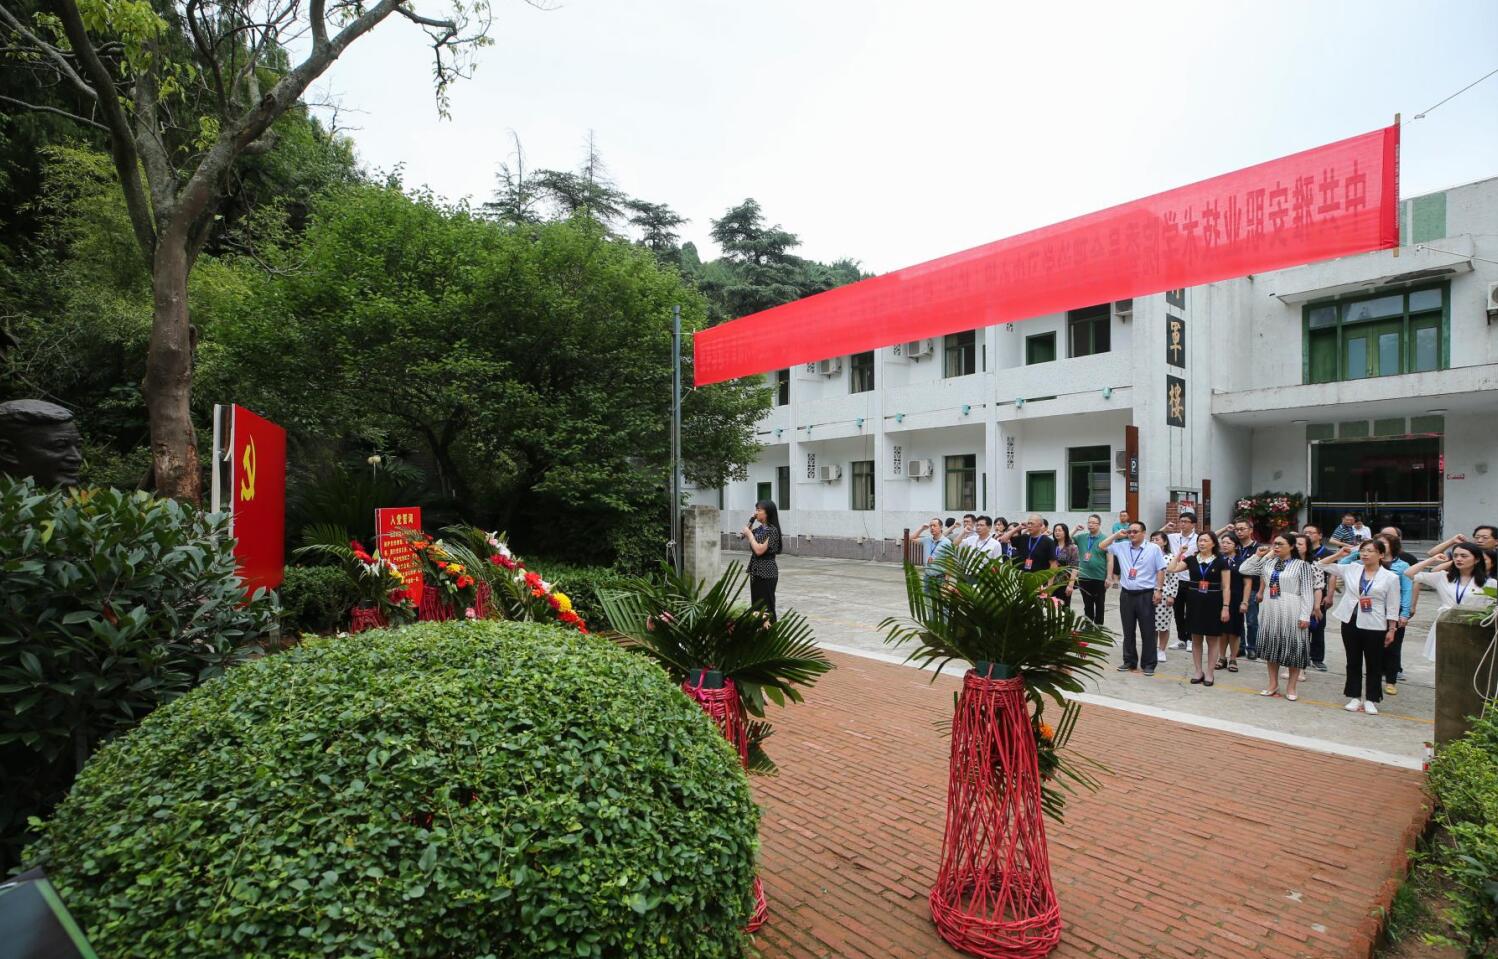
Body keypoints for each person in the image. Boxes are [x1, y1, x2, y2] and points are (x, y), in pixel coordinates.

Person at [1320, 540, 1401, 715]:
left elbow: (1393, 605)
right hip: (1350, 620)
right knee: (1353, 661)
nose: (1365, 554)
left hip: (1375, 624)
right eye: (1363, 550)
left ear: (1381, 555)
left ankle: (1371, 698)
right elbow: (1321, 565)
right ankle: (1354, 696)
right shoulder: (1352, 568)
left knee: (1374, 663)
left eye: (1370, 551)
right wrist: (1340, 554)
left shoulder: (1390, 577)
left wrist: (1392, 629)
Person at [1239, 534, 1316, 701]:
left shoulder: (1302, 565)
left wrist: (1305, 615)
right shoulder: (1268, 563)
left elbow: (1307, 592)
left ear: (1292, 546)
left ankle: (1291, 687)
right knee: (1271, 647)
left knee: (1294, 648)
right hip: (1270, 607)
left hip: (1292, 607)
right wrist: (1259, 555)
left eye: (1280, 544)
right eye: (1274, 544)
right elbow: (1244, 569)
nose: (1276, 547)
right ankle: (1272, 684)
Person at [1407, 543, 1495, 662]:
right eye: (1455, 555)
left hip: (1473, 625)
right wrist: (1432, 560)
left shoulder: (1489, 583)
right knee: (1445, 661)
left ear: (1477, 559)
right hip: (1446, 622)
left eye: (1464, 556)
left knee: (1470, 662)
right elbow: (1409, 573)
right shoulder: (1443, 577)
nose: (1458, 559)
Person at [1104, 521, 1167, 675]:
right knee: (1128, 630)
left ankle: (1149, 664)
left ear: (1143, 533)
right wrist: (1117, 535)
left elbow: (1161, 569)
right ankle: (1129, 661)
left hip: (1146, 594)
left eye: (1135, 531)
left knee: (1148, 631)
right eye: (1129, 531)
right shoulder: (1122, 546)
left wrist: (1159, 590)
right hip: (1127, 594)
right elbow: (1102, 546)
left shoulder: (1153, 548)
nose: (1131, 534)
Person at [1167, 530, 1227, 685]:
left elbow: (1226, 587)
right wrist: (1179, 553)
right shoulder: (1191, 559)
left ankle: (1210, 673)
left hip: (1214, 602)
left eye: (1205, 540)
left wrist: (1225, 607)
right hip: (1194, 602)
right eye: (1200, 540)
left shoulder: (1221, 561)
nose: (1202, 543)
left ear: (1213, 543)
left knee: (1212, 639)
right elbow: (1171, 569)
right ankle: (1198, 671)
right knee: (1196, 638)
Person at [1374, 531, 1415, 695]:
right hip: (1373, 611)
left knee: (1393, 647)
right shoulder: (1370, 562)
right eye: (1377, 543)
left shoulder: (1403, 566)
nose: (1379, 545)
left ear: (1393, 546)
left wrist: (1404, 613)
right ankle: (1375, 677)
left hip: (1394, 611)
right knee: (1373, 646)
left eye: (1383, 543)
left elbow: (1407, 590)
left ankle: (1391, 680)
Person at [1288, 534, 1327, 686]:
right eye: (1295, 543)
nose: (1297, 546)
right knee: (1289, 637)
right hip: (1288, 603)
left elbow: (1318, 587)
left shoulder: (1314, 564)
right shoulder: (1287, 562)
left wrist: (1316, 607)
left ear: (1307, 547)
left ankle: (1301, 668)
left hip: (1306, 604)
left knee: (1303, 637)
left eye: (1301, 544)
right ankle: (1289, 666)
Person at [742, 500, 783, 622]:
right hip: (756, 571)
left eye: (759, 510)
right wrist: (752, 520)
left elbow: (759, 550)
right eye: (756, 510)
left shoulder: (772, 530)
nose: (756, 512)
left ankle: (771, 630)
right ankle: (758, 630)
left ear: (767, 513)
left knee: (767, 607)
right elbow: (744, 534)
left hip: (767, 571)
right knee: (757, 607)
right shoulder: (760, 529)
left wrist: (750, 535)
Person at [1302, 524, 1334, 671]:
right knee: (1302, 627)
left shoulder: (1327, 553)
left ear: (1320, 535)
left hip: (1319, 595)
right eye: (1305, 532)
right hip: (1301, 596)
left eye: (1311, 532)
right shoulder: (1301, 551)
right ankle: (1302, 656)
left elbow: (1332, 575)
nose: (1308, 535)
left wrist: (1330, 595)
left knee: (1318, 627)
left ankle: (1317, 658)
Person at [1230, 517, 1262, 660]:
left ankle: (1252, 647)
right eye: (1236, 529)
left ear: (1250, 530)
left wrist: (1261, 591)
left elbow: (1263, 572)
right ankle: (1240, 647)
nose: (1239, 532)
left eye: (1242, 529)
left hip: (1253, 588)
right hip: (1236, 588)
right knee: (1237, 620)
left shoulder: (1258, 548)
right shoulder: (1234, 547)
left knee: (1251, 620)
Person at [1166, 512, 1198, 650]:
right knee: (1178, 611)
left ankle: (1191, 639)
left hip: (1191, 580)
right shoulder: (1173, 537)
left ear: (1193, 524)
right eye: (1181, 521)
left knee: (1191, 611)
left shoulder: (1198, 539)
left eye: (1186, 521)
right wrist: (1165, 528)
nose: (1183, 524)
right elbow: (1155, 537)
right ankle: (1181, 639)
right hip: (1175, 580)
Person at [1148, 531, 1180, 666]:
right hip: (1147, 593)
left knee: (1163, 625)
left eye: (1157, 539)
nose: (1154, 542)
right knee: (1150, 625)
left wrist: (1172, 595)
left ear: (1165, 542)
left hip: (1164, 594)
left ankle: (1161, 650)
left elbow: (1174, 578)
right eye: (1152, 539)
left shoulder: (1170, 557)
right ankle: (1152, 648)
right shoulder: (1147, 555)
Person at [1073, 514, 1109, 624]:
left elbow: (1110, 560)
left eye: (1094, 523)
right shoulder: (1081, 537)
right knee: (1087, 604)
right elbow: (1065, 540)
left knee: (1099, 604)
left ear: (1099, 525)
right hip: (1084, 577)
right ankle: (1088, 625)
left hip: (1099, 577)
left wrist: (1109, 577)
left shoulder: (1105, 539)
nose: (1091, 525)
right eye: (1089, 522)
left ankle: (1099, 627)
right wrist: (1075, 529)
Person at [1218, 533, 1246, 673]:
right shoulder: (1218, 560)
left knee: (1234, 631)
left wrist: (1245, 602)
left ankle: (1233, 658)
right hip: (1219, 598)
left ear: (1235, 545)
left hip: (1236, 598)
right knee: (1222, 631)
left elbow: (1247, 584)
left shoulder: (1242, 561)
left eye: (1228, 543)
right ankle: (1221, 657)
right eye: (1223, 542)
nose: (1225, 545)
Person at [923, 518, 956, 596]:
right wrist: (922, 528)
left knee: (940, 600)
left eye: (934, 525)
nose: (932, 528)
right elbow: (910, 538)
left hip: (940, 578)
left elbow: (950, 563)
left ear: (941, 527)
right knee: (927, 600)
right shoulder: (928, 540)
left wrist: (946, 581)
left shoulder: (947, 542)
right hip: (927, 577)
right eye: (930, 526)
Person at [1426, 525, 1498, 559]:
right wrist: (1452, 541)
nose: (1479, 540)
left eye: (1485, 538)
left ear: (1496, 541)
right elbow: (1432, 554)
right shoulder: (1465, 552)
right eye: (1477, 537)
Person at [1052, 522, 1079, 607]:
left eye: (1059, 530)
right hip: (1050, 583)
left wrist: (1070, 585)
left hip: (1064, 583)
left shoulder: (1072, 548)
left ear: (1065, 532)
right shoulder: (1051, 546)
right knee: (1049, 608)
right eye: (1055, 531)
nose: (1057, 532)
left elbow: (1075, 567)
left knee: (1063, 608)